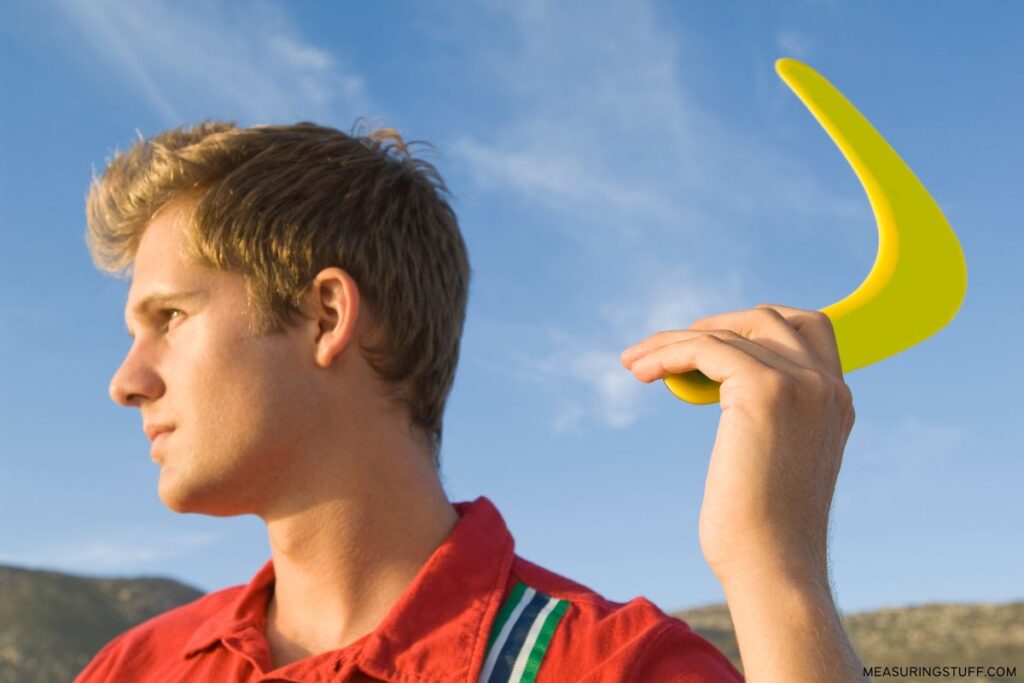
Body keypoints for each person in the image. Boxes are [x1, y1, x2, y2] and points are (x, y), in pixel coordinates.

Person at [75, 121, 865, 682]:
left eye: (169, 318)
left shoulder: (617, 667)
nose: (125, 380)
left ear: (325, 315)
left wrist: (776, 569)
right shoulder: (130, 668)